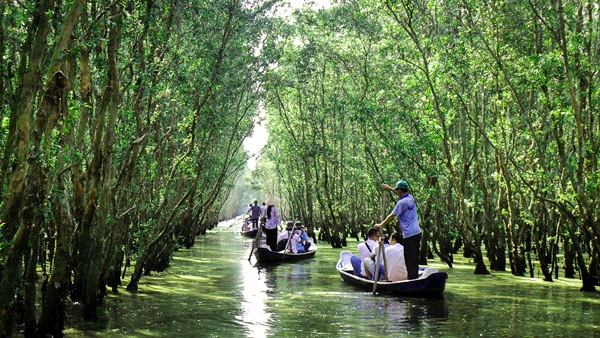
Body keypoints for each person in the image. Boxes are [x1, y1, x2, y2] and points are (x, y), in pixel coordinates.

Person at [375, 180, 422, 279]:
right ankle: (414, 277)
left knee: (409, 259)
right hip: (417, 233)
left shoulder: (402, 203)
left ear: (400, 190)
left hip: (409, 235)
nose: (396, 192)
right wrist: (390, 188)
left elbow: (392, 216)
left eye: (397, 190)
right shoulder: (410, 198)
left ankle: (412, 280)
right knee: (414, 258)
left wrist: (380, 225)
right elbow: (398, 192)